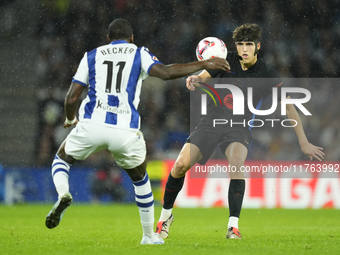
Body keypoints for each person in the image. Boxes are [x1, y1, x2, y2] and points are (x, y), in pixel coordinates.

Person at [44, 18, 229, 245]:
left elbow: (71, 97)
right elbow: (165, 72)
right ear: (132, 38)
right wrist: (204, 64)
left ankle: (64, 193)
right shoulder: (138, 52)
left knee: (61, 161)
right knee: (140, 180)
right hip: (125, 129)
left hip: (92, 124)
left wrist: (71, 119)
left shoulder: (91, 55)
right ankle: (149, 236)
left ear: (107, 38)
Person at [156, 23, 325, 239]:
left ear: (258, 46)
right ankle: (165, 217)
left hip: (239, 127)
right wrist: (195, 79)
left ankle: (232, 226)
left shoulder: (267, 74)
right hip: (212, 122)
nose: (244, 49)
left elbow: (289, 106)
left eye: (248, 45)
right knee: (180, 165)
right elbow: (204, 76)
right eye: (240, 45)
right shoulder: (227, 61)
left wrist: (303, 141)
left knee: (236, 163)